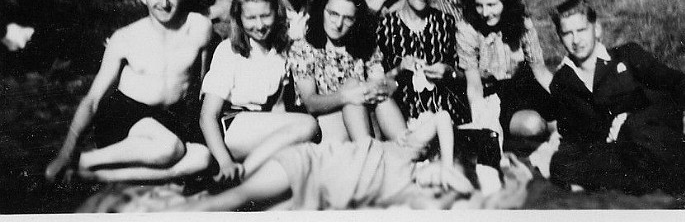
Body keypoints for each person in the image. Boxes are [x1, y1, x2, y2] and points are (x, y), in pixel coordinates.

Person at [547, 0, 685, 195]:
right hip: (619, 148)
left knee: (635, 129)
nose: (576, 40)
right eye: (567, 33)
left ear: (596, 29)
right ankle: (667, 176)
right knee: (562, 164)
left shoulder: (627, 56)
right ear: (560, 37)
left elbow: (677, 82)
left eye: (581, 30)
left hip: (655, 127)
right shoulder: (562, 82)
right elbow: (574, 137)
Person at [44, 0, 213, 183]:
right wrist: (65, 152)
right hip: (126, 118)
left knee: (202, 157)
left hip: (169, 119)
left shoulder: (200, 28)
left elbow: (201, 86)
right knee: (169, 147)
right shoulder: (125, 38)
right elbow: (93, 99)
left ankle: (93, 175)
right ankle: (81, 159)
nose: (164, 3)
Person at [168, 110, 474, 211]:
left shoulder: (411, 194)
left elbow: (464, 198)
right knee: (233, 199)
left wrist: (451, 182)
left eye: (441, 186)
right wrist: (449, 166)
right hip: (310, 164)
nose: (438, 182)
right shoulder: (408, 150)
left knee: (249, 210)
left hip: (317, 200)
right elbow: (443, 118)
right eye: (441, 174)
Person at [199, 0, 320, 186]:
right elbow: (207, 116)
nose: (260, 25)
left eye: (265, 16)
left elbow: (278, 109)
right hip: (230, 128)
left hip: (259, 128)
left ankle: (248, 177)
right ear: (239, 18)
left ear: (277, 13)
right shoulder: (229, 51)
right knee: (308, 126)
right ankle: (238, 177)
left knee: (301, 152)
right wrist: (225, 162)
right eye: (251, 18)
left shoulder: (280, 51)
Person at [288, 0, 407, 142]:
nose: (338, 24)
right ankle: (367, 149)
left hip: (365, 116)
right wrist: (347, 96)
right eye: (333, 14)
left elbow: (378, 83)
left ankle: (407, 144)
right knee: (352, 85)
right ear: (322, 11)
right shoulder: (304, 48)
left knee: (379, 97)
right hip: (328, 120)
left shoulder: (365, 46)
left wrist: (375, 88)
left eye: (348, 19)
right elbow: (310, 102)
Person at [457, 0, 556, 140]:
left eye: (491, 5)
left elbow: (540, 71)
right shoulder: (468, 29)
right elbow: (474, 85)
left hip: (524, 86)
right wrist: (482, 122)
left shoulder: (522, 23)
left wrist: (567, 100)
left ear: (506, 2)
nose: (485, 12)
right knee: (533, 125)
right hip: (492, 95)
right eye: (479, 5)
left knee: (565, 117)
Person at [375, 0, 471, 126]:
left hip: (447, 114)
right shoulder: (385, 27)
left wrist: (449, 72)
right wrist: (398, 70)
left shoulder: (445, 22)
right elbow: (377, 81)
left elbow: (464, 75)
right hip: (402, 118)